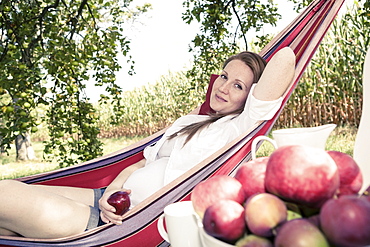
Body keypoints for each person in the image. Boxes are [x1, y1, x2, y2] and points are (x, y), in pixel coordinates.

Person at [0, 47, 295, 239]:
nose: (224, 87)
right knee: (10, 210)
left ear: (252, 95)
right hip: (108, 199)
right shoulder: (193, 122)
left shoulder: (240, 128)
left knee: (4, 196)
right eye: (224, 76)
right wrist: (111, 192)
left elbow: (285, 58)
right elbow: (141, 163)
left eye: (238, 86)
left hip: (126, 224)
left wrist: (251, 96)